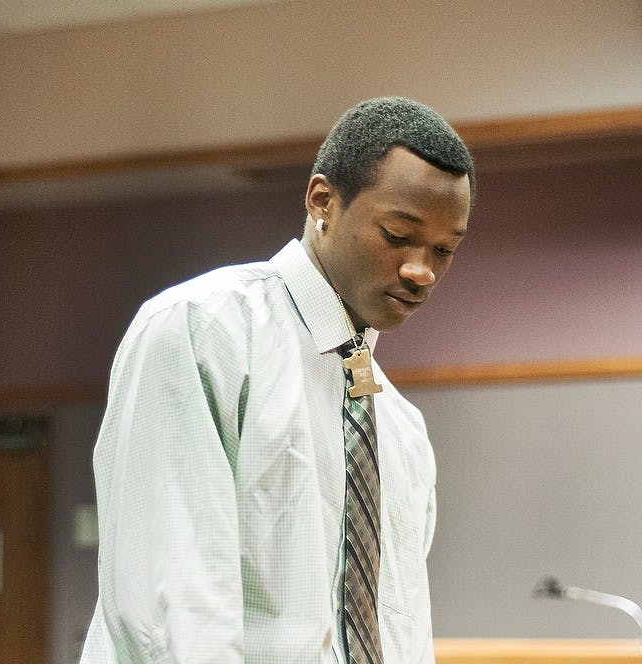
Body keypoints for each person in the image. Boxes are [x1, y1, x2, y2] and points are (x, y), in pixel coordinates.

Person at [81, 97, 475, 663]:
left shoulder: (401, 427)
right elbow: (171, 612)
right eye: (396, 235)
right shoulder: (203, 331)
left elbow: (402, 632)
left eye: (444, 250)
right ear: (323, 201)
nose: (421, 271)